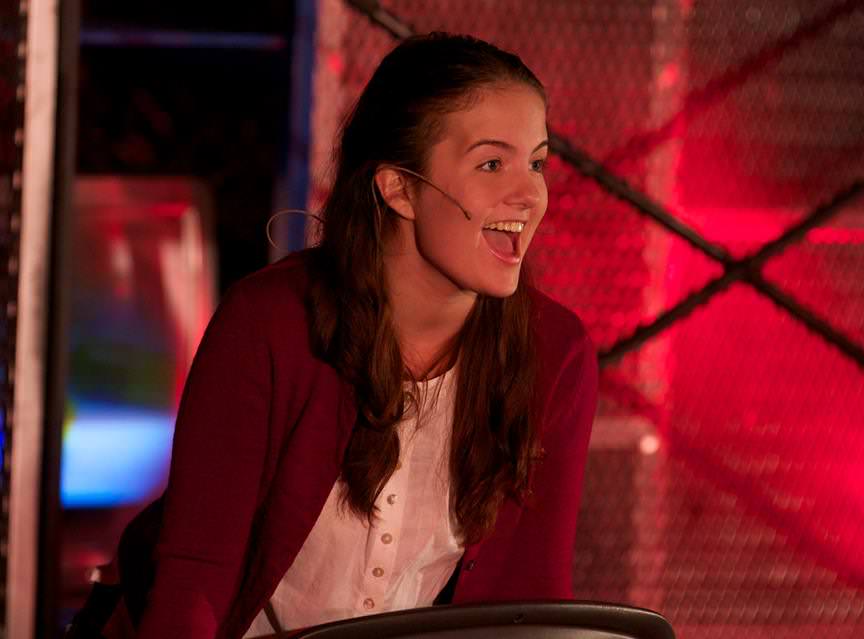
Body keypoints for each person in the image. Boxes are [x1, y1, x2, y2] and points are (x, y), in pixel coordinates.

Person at [79, 32, 598, 639]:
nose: (531, 194)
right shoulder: (269, 323)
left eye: (536, 162)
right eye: (491, 164)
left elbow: (529, 599)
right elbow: (195, 579)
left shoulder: (555, 352)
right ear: (398, 187)